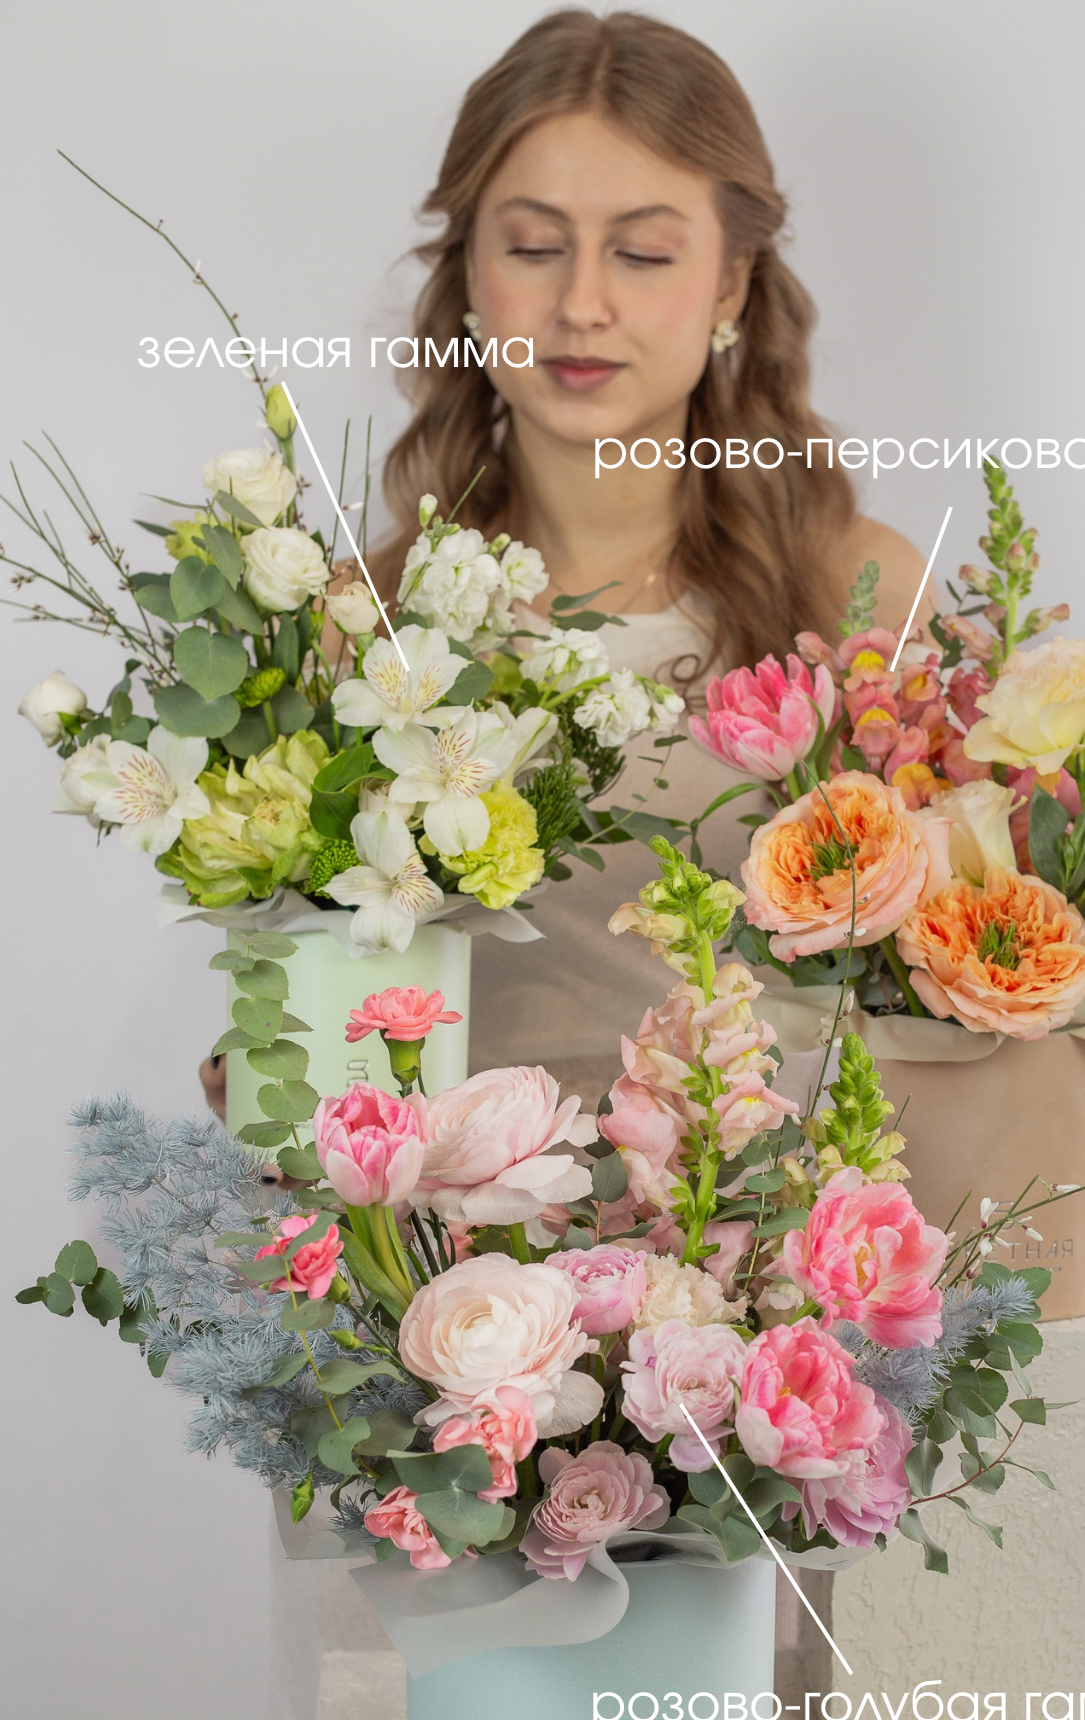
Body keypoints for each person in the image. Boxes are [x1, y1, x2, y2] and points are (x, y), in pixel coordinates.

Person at [204, 7, 933, 1118]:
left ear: (732, 283)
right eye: (535, 248)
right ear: (470, 273)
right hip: (449, 1225)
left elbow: (942, 1011)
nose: (581, 305)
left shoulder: (861, 601)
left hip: (778, 1215)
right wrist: (278, 1070)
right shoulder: (361, 623)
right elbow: (321, 987)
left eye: (643, 254)